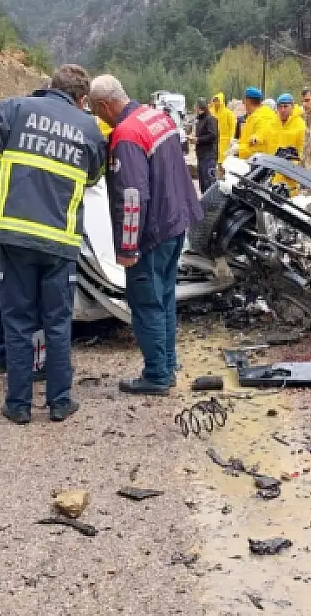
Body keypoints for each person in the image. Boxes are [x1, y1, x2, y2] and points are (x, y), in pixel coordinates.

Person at [0, 64, 107, 425]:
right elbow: (93, 175)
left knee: (17, 322)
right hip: (59, 241)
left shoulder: (13, 110)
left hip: (12, 237)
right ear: (81, 99)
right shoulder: (88, 128)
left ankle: (18, 405)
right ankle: (60, 402)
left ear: (49, 88)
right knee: (58, 323)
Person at [89, 75, 204, 396]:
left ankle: (156, 375)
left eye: (98, 112)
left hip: (151, 233)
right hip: (175, 222)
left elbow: (132, 196)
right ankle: (168, 362)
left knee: (145, 303)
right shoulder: (157, 118)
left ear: (103, 105)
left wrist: (127, 246)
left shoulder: (126, 135)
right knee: (165, 296)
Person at [238, 86, 279, 159]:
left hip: (261, 163)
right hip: (256, 161)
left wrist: (238, 149)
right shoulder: (255, 116)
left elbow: (258, 146)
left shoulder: (263, 117)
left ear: (248, 101)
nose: (243, 103)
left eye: (244, 101)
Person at [193, 98, 219, 193]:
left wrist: (198, 139)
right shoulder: (200, 120)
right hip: (201, 155)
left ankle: (211, 206)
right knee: (202, 183)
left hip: (209, 156)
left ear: (200, 107)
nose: (194, 109)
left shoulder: (210, 119)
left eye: (195, 107)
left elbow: (213, 135)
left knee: (209, 182)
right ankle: (204, 205)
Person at [210, 92, 236, 165]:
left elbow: (232, 127)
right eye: (215, 101)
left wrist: (231, 138)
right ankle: (216, 175)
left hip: (225, 142)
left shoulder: (228, 113)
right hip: (214, 141)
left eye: (218, 101)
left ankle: (223, 174)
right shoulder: (211, 112)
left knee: (224, 162)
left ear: (221, 101)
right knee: (214, 161)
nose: (216, 103)